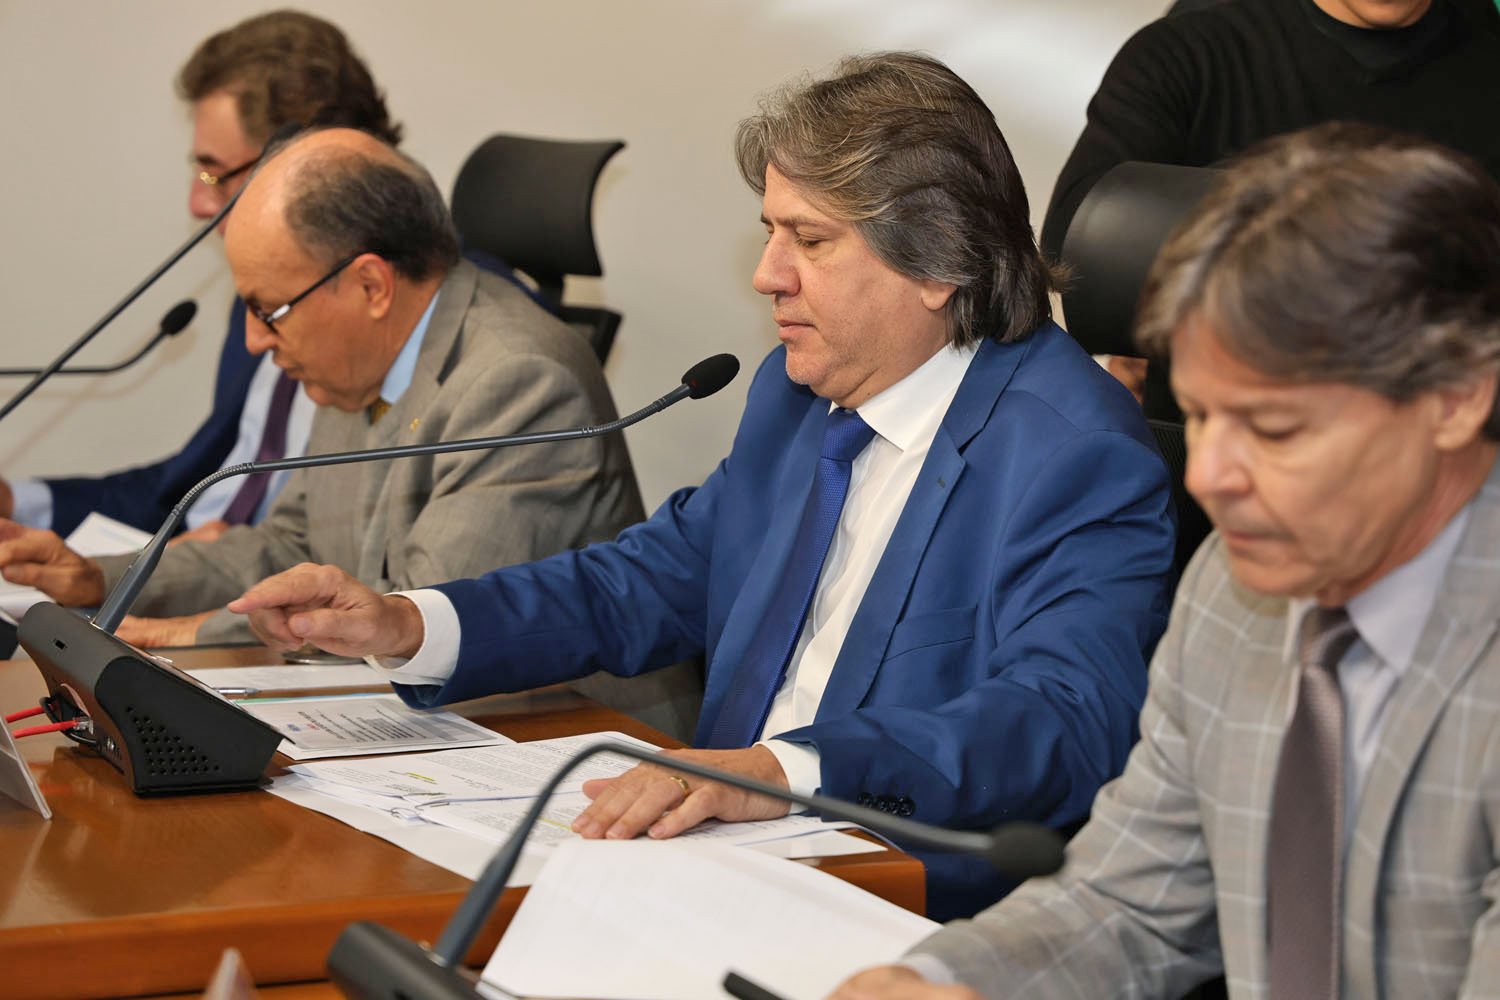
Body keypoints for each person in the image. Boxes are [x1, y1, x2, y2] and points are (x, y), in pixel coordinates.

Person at [228, 52, 1177, 920]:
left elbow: (1063, 718)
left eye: (809, 239)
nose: (767, 276)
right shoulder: (797, 396)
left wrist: (777, 774)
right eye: (770, 232)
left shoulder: (1073, 449)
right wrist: (409, 623)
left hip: (895, 901)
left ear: (938, 262)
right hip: (700, 867)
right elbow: (649, 580)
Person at [835, 123, 1500, 997]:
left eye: (1273, 429)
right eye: (1201, 415)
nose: (1209, 476)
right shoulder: (1230, 589)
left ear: (1455, 399)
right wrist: (939, 981)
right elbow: (1130, 904)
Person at [0, 128, 644, 656]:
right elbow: (285, 546)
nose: (254, 340)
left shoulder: (519, 382)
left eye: (268, 310)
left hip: (572, 736)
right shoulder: (359, 361)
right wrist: (100, 578)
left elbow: (414, 622)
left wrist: (191, 632)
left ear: (371, 286)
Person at [0, 10, 402, 539]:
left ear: (308, 160)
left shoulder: (410, 314)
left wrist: (217, 567)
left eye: (215, 174)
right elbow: (186, 490)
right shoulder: (259, 298)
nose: (198, 202)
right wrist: (16, 503)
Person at [1041, 0, 1500, 410]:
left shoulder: (1486, 52)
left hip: (1439, 430)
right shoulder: (1194, 49)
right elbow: (1081, 240)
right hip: (1218, 423)